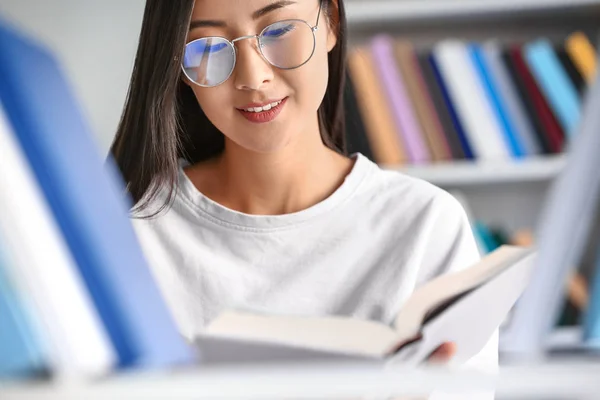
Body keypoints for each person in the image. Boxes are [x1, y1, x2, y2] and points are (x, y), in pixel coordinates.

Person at [109, 0, 497, 375]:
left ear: (331, 20)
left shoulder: (426, 224)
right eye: (209, 46)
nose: (252, 77)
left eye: (278, 30)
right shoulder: (132, 233)